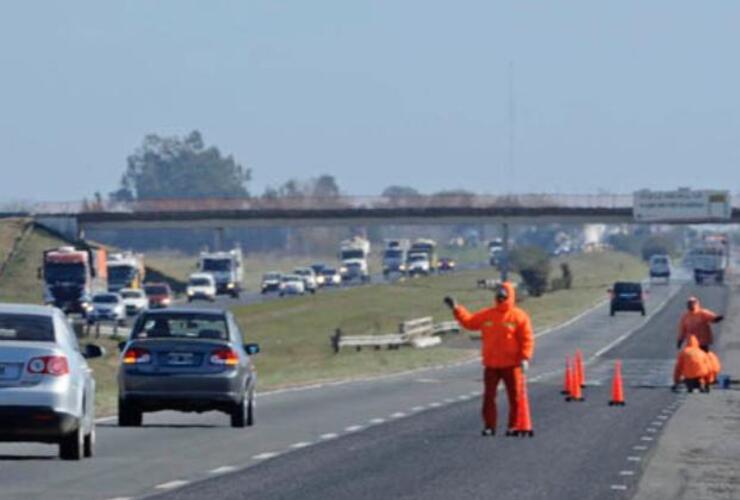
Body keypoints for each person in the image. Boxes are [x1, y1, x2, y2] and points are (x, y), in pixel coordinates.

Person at [444, 282, 534, 436]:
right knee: (489, 397)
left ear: (510, 296)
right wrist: (457, 309)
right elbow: (470, 322)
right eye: (498, 296)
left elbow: (527, 339)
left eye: (503, 296)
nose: (500, 299)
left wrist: (525, 357)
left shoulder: (519, 316)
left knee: (515, 398)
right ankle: (489, 426)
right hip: (491, 365)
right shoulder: (488, 315)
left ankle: (513, 425)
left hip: (512, 365)